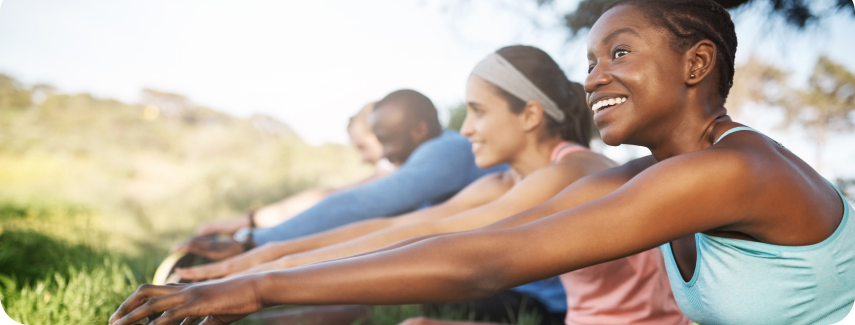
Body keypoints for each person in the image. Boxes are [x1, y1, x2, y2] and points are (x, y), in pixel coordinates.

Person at [108, 0, 855, 325]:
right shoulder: (647, 174)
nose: (593, 76)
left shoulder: (730, 168)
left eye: (617, 51)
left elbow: (491, 263)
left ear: (696, 65)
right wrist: (252, 264)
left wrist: (251, 286)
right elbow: (461, 237)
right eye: (588, 60)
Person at [173, 45, 688, 325]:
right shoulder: (511, 179)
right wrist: (245, 266)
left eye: (479, 113)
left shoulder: (572, 172)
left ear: (530, 114)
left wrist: (260, 286)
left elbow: (461, 253)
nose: (464, 129)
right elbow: (406, 226)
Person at [173, 89, 508, 262]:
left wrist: (254, 241)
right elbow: (340, 197)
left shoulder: (444, 153)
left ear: (419, 130)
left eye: (387, 141)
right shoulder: (432, 155)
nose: (384, 152)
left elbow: (360, 205)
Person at [189, 102, 396, 239]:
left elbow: (331, 196)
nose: (363, 159)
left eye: (363, 147)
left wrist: (249, 223)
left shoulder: (393, 174)